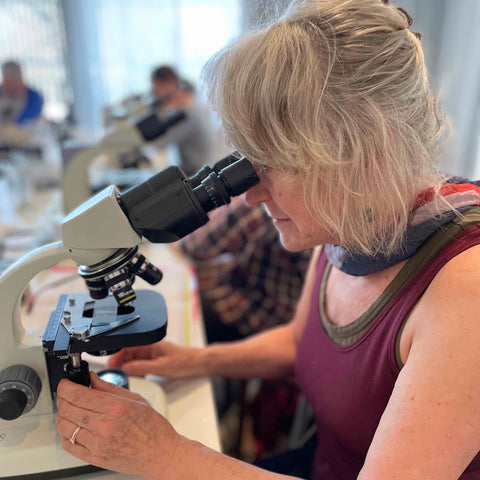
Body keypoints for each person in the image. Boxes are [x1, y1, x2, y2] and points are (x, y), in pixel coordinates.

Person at [55, 1, 480, 479]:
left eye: (273, 163)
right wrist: (195, 361)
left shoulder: (466, 291)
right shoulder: (354, 217)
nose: (252, 193)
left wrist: (164, 453)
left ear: (363, 151)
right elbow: (301, 344)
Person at [180, 195, 312, 343]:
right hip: (291, 325)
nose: (252, 196)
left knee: (178, 306)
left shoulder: (261, 202)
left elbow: (195, 246)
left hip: (258, 322)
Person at [149, 65, 218, 176]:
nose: (156, 96)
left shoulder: (189, 112)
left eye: (157, 90)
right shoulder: (191, 103)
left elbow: (161, 143)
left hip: (198, 172)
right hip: (196, 168)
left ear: (169, 83)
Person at [0, 60, 43, 126]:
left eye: (11, 82)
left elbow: (29, 120)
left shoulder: (34, 98)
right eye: (6, 82)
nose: (7, 86)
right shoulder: (2, 92)